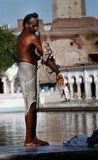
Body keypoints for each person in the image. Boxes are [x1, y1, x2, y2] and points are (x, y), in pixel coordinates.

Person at [17, 13, 64, 147]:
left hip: (26, 70)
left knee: (33, 105)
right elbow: (46, 57)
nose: (36, 28)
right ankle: (28, 140)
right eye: (33, 25)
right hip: (27, 72)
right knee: (30, 106)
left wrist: (39, 57)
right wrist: (57, 71)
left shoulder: (20, 37)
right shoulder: (31, 37)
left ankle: (33, 137)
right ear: (26, 25)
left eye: (37, 25)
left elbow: (32, 56)